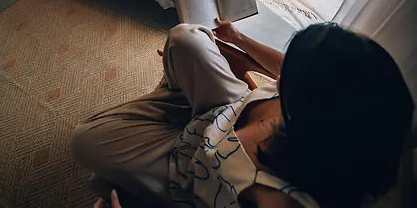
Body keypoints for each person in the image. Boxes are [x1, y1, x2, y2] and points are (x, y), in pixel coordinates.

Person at [73, 21, 414, 208]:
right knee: (186, 38)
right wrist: (238, 38)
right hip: (227, 110)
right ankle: (181, 96)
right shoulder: (332, 96)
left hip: (193, 168)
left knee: (85, 140)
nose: (284, 75)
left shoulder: (280, 201)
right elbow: (287, 66)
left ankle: (172, 110)